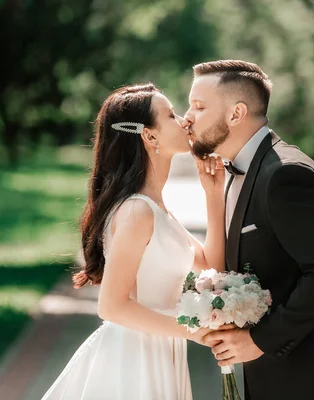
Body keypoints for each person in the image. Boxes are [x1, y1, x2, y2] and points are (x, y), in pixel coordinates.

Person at [184, 60, 314, 400]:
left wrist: (258, 341)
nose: (187, 116)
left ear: (236, 114)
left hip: (312, 374)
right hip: (277, 373)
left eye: (199, 106)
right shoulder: (238, 172)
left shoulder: (286, 174)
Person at [41, 83, 227, 400]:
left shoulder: (157, 209)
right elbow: (111, 306)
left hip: (162, 351)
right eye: (170, 115)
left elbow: (212, 265)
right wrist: (193, 331)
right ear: (149, 136)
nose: (184, 120)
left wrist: (213, 194)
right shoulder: (137, 211)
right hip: (133, 361)